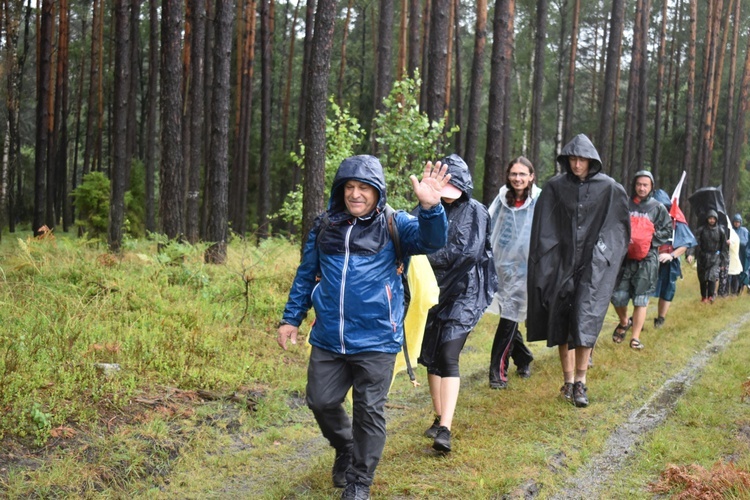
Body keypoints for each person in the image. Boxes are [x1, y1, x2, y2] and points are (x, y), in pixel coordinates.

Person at [276, 155, 449, 499]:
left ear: (377, 191)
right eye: (349, 187)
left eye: (364, 188)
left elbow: (432, 241)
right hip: (329, 337)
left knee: (369, 411)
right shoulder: (324, 224)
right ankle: (345, 446)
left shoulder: (395, 224)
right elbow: (307, 272)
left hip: (377, 339)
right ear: (341, 190)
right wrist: (291, 317)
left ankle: (358, 483)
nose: (355, 194)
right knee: (320, 401)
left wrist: (430, 209)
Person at [527, 133, 630, 408]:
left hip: (592, 266)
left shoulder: (608, 188)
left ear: (591, 160)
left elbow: (619, 228)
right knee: (561, 320)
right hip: (562, 264)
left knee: (586, 320)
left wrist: (603, 255)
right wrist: (549, 260)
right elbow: (543, 229)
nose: (577, 164)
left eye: (582, 159)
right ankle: (568, 381)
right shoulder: (555, 188)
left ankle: (582, 382)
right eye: (572, 158)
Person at [418, 154, 497, 453]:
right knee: (432, 354)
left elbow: (466, 253)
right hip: (432, 293)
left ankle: (446, 429)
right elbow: (413, 241)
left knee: (449, 353)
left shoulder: (476, 211)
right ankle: (438, 416)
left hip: (466, 291)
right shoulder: (426, 208)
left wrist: (427, 257)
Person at [486, 156, 540, 389]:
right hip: (501, 267)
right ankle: (523, 356)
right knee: (510, 314)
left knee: (509, 316)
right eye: (513, 174)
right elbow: (489, 224)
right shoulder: (501, 199)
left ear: (531, 176)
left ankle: (497, 373)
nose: (517, 178)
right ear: (508, 176)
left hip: (526, 269)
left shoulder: (539, 200)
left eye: (522, 174)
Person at [610, 171, 671, 350]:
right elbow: (614, 224)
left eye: (645, 185)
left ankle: (635, 338)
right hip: (624, 259)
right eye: (639, 184)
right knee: (618, 296)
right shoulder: (625, 204)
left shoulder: (657, 208)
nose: (642, 188)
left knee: (641, 299)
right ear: (634, 185)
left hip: (647, 260)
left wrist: (649, 240)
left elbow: (667, 230)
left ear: (651, 187)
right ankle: (623, 322)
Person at [651, 190, 697, 329]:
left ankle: (660, 319)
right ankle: (636, 320)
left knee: (667, 290)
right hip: (649, 261)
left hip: (669, 263)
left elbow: (684, 244)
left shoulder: (677, 222)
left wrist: (670, 256)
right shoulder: (647, 218)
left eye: (664, 207)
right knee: (643, 290)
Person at [687, 210, 729, 303]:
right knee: (702, 278)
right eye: (710, 218)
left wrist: (723, 261)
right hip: (702, 257)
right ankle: (703, 296)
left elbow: (724, 248)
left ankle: (710, 296)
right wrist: (690, 254)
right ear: (707, 219)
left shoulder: (720, 231)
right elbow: (694, 243)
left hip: (715, 257)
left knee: (712, 277)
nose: (712, 220)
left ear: (716, 219)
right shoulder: (701, 230)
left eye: (713, 218)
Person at [729, 214, 749, 295]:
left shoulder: (744, 231)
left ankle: (741, 288)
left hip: (742, 255)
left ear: (740, 222)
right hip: (733, 254)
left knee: (743, 271)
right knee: (733, 272)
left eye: (738, 222)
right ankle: (733, 290)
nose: (737, 223)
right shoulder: (730, 230)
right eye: (735, 222)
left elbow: (747, 242)